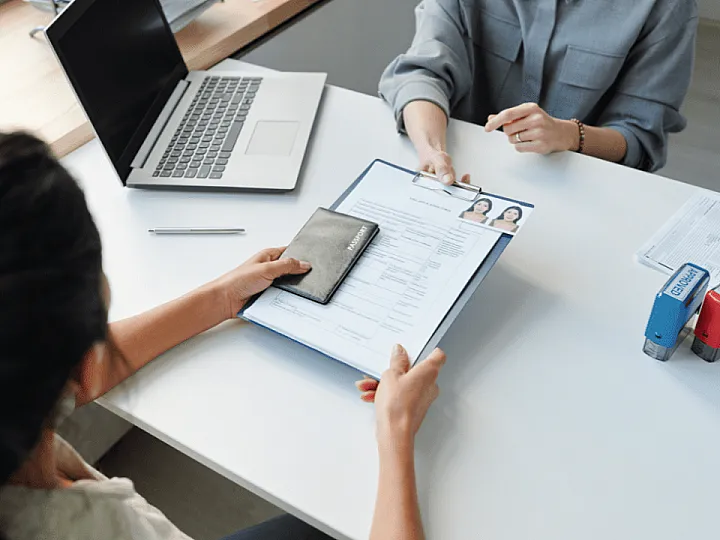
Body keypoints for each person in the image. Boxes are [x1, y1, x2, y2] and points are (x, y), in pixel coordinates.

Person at [0, 131, 446, 540]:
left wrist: (222, 297)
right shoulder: (94, 529)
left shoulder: (16, 412)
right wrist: (397, 431)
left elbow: (83, 373)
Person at [379, 0, 699, 184]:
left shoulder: (666, 6)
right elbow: (422, 73)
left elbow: (641, 138)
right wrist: (432, 150)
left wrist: (570, 135)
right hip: (462, 169)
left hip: (576, 187)